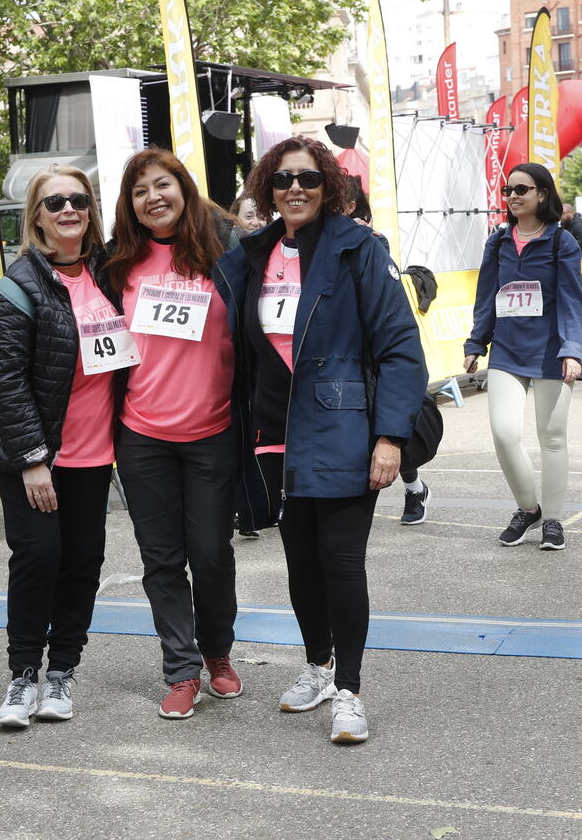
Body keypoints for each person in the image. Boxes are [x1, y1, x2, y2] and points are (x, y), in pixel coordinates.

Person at [221, 135, 425, 743]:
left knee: (341, 563)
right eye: (282, 180)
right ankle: (317, 663)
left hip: (343, 429)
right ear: (267, 188)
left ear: (328, 184)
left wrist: (389, 438)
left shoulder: (358, 249)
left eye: (307, 179)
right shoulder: (252, 254)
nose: (295, 190)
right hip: (275, 432)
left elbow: (399, 350)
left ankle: (350, 690)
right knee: (300, 564)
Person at [0, 165, 127, 728]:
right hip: (30, 456)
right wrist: (34, 460)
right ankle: (22, 678)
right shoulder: (16, 288)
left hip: (92, 454)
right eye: (54, 201)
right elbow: (4, 381)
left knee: (83, 562)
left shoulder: (110, 276)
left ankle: (61, 672)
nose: (68, 210)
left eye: (79, 200)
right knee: (38, 557)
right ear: (36, 215)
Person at [105, 149, 253, 720]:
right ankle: (181, 669)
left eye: (161, 185)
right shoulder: (118, 264)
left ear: (183, 188)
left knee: (212, 554)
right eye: (140, 191)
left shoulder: (228, 255)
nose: (153, 198)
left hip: (213, 431)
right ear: (131, 205)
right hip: (141, 436)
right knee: (162, 560)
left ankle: (218, 652)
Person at [464, 162, 582, 552]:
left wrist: (572, 349)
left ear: (542, 194)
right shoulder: (498, 242)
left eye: (523, 189)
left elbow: (573, 301)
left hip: (552, 350)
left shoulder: (562, 242)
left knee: (551, 437)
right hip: (506, 349)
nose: (514, 196)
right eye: (508, 190)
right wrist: (476, 343)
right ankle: (527, 509)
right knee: (504, 434)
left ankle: (553, 520)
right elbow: (487, 295)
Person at [344, 176, 430, 524]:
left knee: (393, 436)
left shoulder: (372, 243)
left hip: (374, 359)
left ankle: (414, 488)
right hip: (342, 366)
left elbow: (393, 330)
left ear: (350, 206)